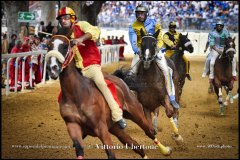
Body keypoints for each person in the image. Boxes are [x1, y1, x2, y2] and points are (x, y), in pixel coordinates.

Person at [56, 6, 126, 129]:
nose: (63, 21)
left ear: (73, 19)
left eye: (66, 18)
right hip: (77, 70)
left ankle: (117, 115)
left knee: (101, 83)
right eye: (61, 19)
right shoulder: (63, 34)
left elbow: (96, 31)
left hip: (91, 65)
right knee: (64, 93)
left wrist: (80, 39)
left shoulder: (81, 25)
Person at [128, 5, 179, 109]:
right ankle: (132, 98)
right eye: (138, 13)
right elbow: (133, 43)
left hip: (155, 50)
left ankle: (172, 97)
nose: (140, 15)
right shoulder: (132, 26)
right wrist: (139, 51)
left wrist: (157, 49)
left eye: (142, 13)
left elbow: (160, 38)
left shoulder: (154, 23)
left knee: (166, 70)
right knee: (131, 72)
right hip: (141, 52)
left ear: (146, 14)